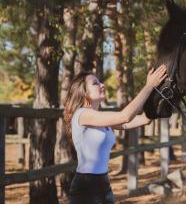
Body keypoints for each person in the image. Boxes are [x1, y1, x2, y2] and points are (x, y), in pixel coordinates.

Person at [63, 64, 167, 204]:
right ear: (84, 92)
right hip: (86, 188)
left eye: (100, 82)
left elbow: (142, 120)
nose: (102, 84)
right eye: (95, 83)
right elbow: (124, 117)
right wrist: (149, 86)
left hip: (103, 184)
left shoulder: (99, 118)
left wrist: (160, 101)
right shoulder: (82, 115)